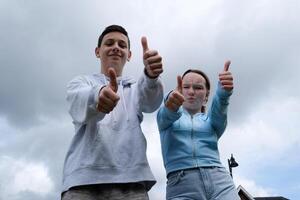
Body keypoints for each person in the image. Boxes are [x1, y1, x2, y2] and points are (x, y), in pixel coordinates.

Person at [61, 25, 164, 200]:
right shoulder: (81, 83)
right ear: (97, 51)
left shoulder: (135, 87)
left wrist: (151, 76)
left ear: (129, 55)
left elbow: (150, 102)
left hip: (132, 185)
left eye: (122, 45)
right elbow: (77, 102)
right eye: (109, 43)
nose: (116, 47)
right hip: (82, 184)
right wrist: (98, 95)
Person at [156, 61, 240, 200]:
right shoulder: (166, 119)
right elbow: (166, 113)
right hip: (181, 184)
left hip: (220, 181)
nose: (191, 92)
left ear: (206, 96)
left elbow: (219, 110)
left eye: (198, 87)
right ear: (179, 91)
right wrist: (170, 102)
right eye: (185, 87)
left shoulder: (212, 122)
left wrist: (223, 93)